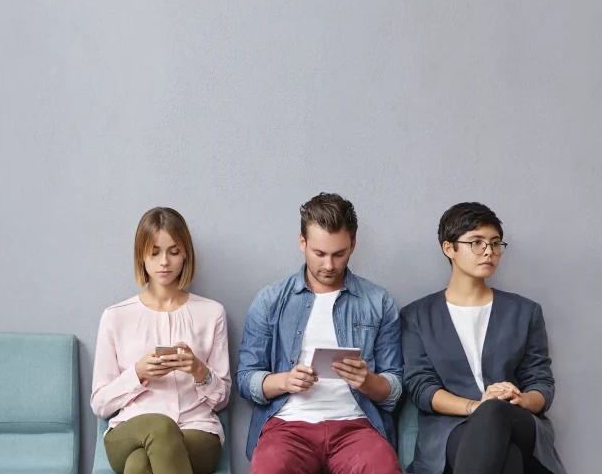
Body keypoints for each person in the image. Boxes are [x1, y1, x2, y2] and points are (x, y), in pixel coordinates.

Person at [237, 192, 404, 474]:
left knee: (383, 467)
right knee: (269, 467)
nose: (329, 265)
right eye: (319, 253)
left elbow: (395, 388)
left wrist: (367, 381)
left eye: (339, 254)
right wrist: (285, 381)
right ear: (302, 243)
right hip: (288, 427)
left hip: (356, 426)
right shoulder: (270, 300)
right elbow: (245, 379)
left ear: (353, 244)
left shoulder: (379, 302)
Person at [401, 202, 566, 474]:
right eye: (476, 242)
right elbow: (421, 387)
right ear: (448, 248)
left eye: (495, 243)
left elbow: (541, 382)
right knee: (507, 457)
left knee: (495, 413)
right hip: (451, 428)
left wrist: (520, 400)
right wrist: (477, 407)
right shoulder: (417, 315)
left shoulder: (525, 311)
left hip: (517, 419)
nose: (489, 251)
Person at [91, 207, 231, 474]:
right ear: (141, 255)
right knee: (159, 425)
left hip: (197, 431)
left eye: (173, 251)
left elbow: (222, 400)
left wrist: (198, 370)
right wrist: (137, 374)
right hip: (129, 431)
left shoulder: (212, 313)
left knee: (139, 465)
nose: (164, 262)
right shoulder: (115, 317)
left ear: (185, 254)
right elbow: (100, 403)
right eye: (154, 252)